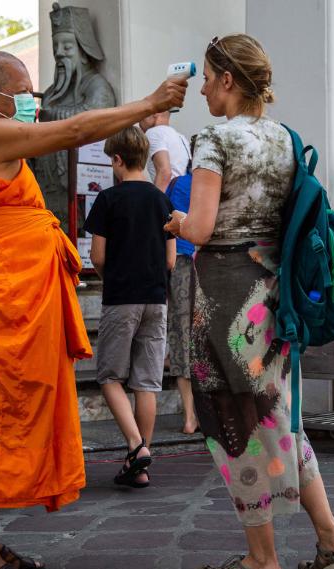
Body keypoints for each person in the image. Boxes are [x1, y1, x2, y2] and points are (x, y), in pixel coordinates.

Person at [0, 50, 184, 569]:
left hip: (17, 304)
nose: (34, 101)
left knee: (10, 415)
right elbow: (74, 130)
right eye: (22, 91)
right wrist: (151, 104)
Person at [165, 34, 334, 569]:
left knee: (235, 419)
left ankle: (262, 561)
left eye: (206, 76)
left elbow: (201, 229)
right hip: (271, 289)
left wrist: (176, 222)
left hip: (224, 289)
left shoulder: (213, 139)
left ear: (228, 79)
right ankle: (330, 538)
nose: (202, 86)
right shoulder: (284, 137)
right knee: (275, 412)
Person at [84, 125, 176, 488]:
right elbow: (170, 261)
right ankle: (142, 463)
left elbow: (97, 255)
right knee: (147, 383)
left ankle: (137, 448)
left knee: (109, 377)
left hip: (122, 297)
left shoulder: (108, 199)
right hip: (157, 299)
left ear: (118, 160)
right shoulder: (161, 201)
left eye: (111, 161)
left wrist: (112, 277)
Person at [140, 112, 198, 434]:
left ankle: (190, 415)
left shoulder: (174, 184)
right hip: (210, 267)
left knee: (180, 330)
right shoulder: (210, 187)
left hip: (183, 262)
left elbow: (168, 230)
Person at [139, 110, 190, 192]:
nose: (139, 120)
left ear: (155, 113)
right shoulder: (181, 137)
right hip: (183, 196)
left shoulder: (153, 133)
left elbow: (164, 172)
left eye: (142, 114)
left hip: (169, 197)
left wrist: (156, 203)